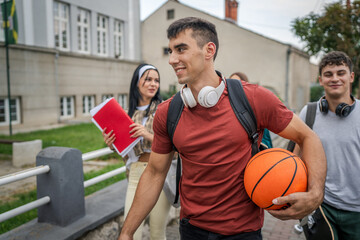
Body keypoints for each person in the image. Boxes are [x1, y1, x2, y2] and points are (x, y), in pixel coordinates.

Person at [119, 17, 326, 240]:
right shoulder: (168, 112)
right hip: (191, 230)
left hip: (244, 232)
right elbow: (155, 173)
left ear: (209, 50)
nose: (171, 59)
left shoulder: (253, 98)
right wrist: (127, 233)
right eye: (170, 51)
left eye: (180, 49)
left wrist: (315, 194)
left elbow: (308, 137)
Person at [293, 51, 360, 239]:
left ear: (351, 77)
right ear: (320, 80)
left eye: (341, 73)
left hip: (357, 211)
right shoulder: (310, 112)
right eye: (329, 74)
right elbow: (296, 155)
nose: (335, 78)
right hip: (322, 206)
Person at [103, 64, 171, 240]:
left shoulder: (165, 110)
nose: (153, 84)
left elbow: (174, 146)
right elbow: (126, 154)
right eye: (148, 79)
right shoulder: (126, 114)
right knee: (130, 231)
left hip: (160, 173)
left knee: (157, 232)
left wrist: (147, 135)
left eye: (156, 80)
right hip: (135, 173)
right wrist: (112, 144)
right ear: (136, 83)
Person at [229, 72, 273, 148]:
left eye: (236, 84)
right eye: (230, 83)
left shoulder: (255, 111)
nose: (233, 87)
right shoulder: (226, 109)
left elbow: (267, 143)